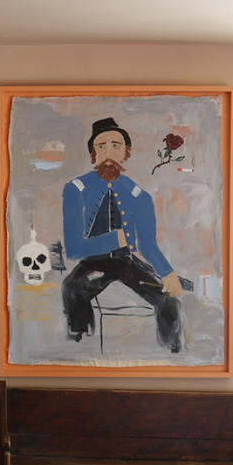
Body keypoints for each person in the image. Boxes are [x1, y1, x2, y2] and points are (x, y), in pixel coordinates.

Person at [60, 117, 185, 352]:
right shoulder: (75, 189)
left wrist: (167, 273)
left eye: (116, 145)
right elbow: (74, 248)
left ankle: (172, 352)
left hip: (127, 264)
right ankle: (79, 346)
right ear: (92, 154)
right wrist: (114, 239)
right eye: (101, 146)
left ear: (126, 152)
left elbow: (147, 245)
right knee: (72, 288)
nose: (109, 152)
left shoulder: (139, 196)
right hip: (93, 265)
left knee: (169, 301)